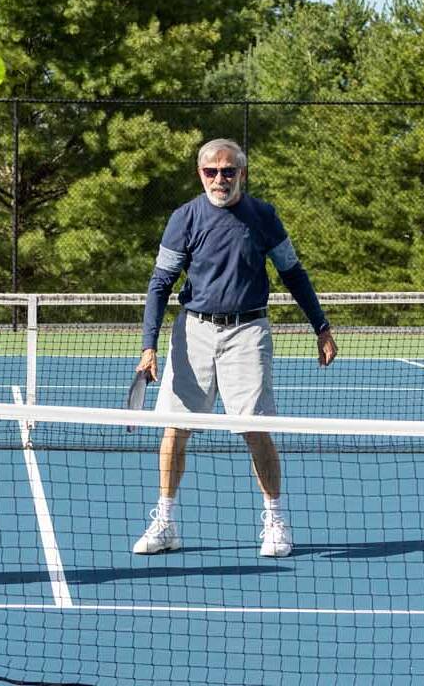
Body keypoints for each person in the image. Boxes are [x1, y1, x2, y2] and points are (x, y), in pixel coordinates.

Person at [133, 138, 337, 559]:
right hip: (194, 332)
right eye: (212, 172)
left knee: (255, 430)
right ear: (200, 174)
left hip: (248, 332)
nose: (220, 179)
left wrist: (321, 327)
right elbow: (160, 283)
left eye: (228, 171)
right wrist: (148, 346)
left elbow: (293, 273)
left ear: (242, 173)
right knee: (175, 430)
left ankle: (276, 521)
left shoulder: (263, 216)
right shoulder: (184, 218)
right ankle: (165, 522)